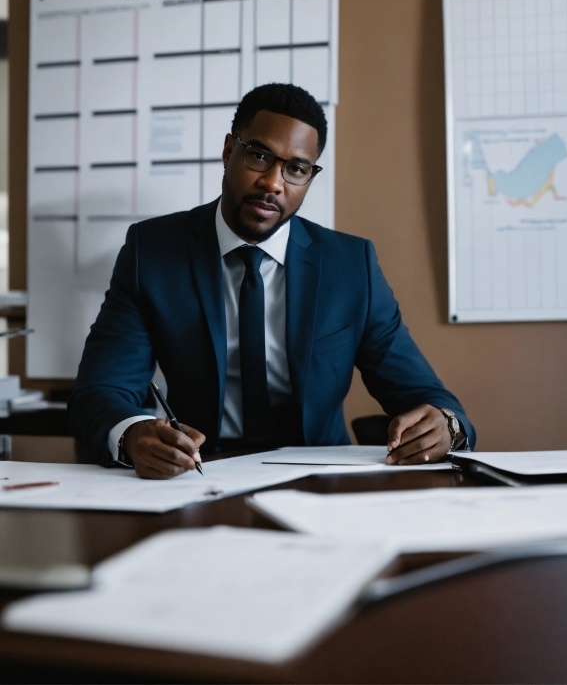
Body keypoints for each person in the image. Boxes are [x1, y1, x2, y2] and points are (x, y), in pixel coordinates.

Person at [69, 83, 475, 479]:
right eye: (259, 156)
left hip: (322, 479)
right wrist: (133, 435)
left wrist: (445, 426)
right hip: (198, 475)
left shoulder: (350, 266)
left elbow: (427, 396)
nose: (273, 183)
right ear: (229, 151)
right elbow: (101, 393)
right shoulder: (153, 253)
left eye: (296, 168)